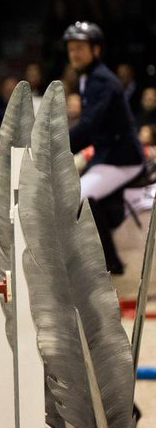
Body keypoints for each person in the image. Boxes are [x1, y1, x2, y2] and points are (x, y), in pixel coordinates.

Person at [63, 21, 145, 274]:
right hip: (106, 154)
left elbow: (88, 126)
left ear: (96, 49)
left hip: (122, 159)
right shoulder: (89, 78)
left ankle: (109, 264)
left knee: (79, 198)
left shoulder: (102, 81)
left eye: (80, 48)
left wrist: (58, 146)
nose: (74, 53)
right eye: (71, 48)